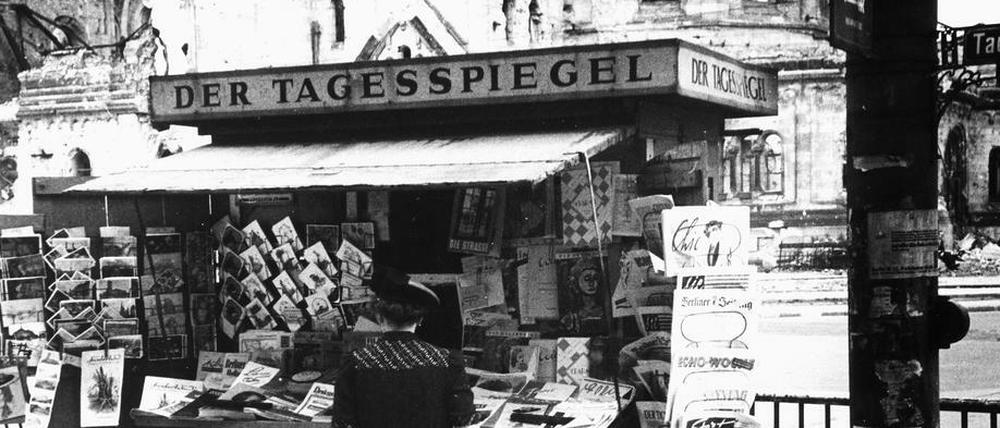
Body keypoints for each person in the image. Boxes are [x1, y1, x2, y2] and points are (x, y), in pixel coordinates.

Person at [333, 266, 474, 428]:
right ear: (420, 319)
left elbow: (342, 424)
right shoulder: (449, 361)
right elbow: (463, 420)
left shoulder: (354, 362)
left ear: (379, 317)